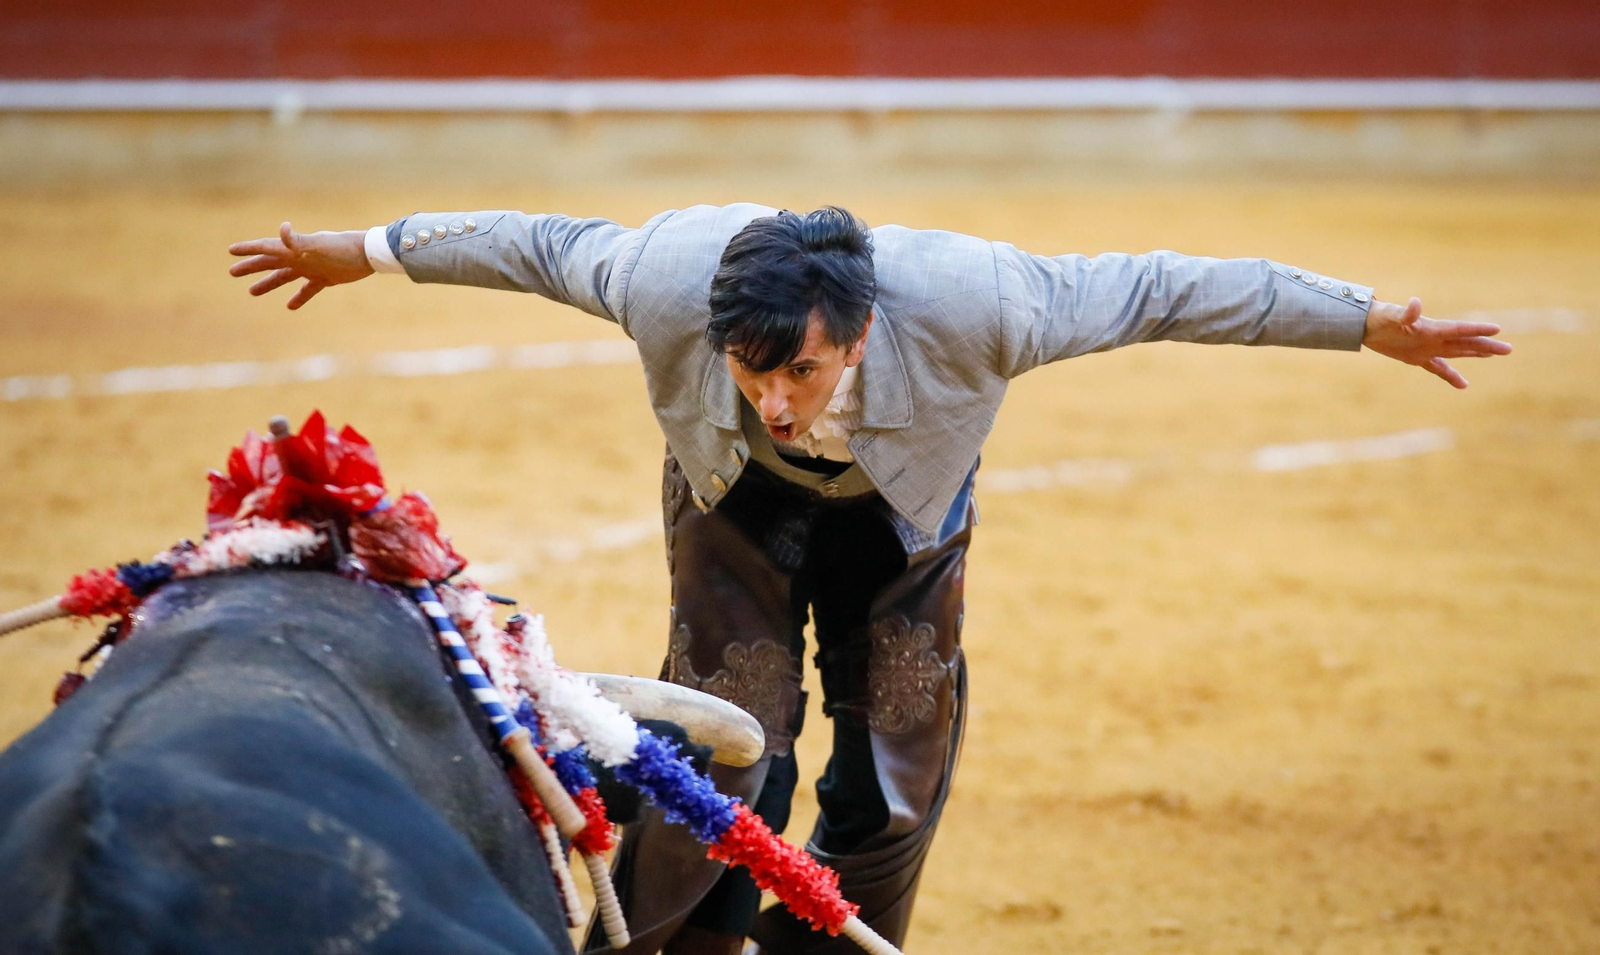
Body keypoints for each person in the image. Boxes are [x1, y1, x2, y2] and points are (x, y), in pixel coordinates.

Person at [228, 204, 1510, 955]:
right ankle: (663, 948)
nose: (780, 400)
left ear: (864, 333)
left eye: (806, 372)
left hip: (904, 533)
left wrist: (1364, 319)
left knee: (893, 764)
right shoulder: (665, 278)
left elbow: (1171, 288)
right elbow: (532, 242)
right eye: (754, 370)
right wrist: (369, 248)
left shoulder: (983, 301)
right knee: (734, 735)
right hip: (730, 513)